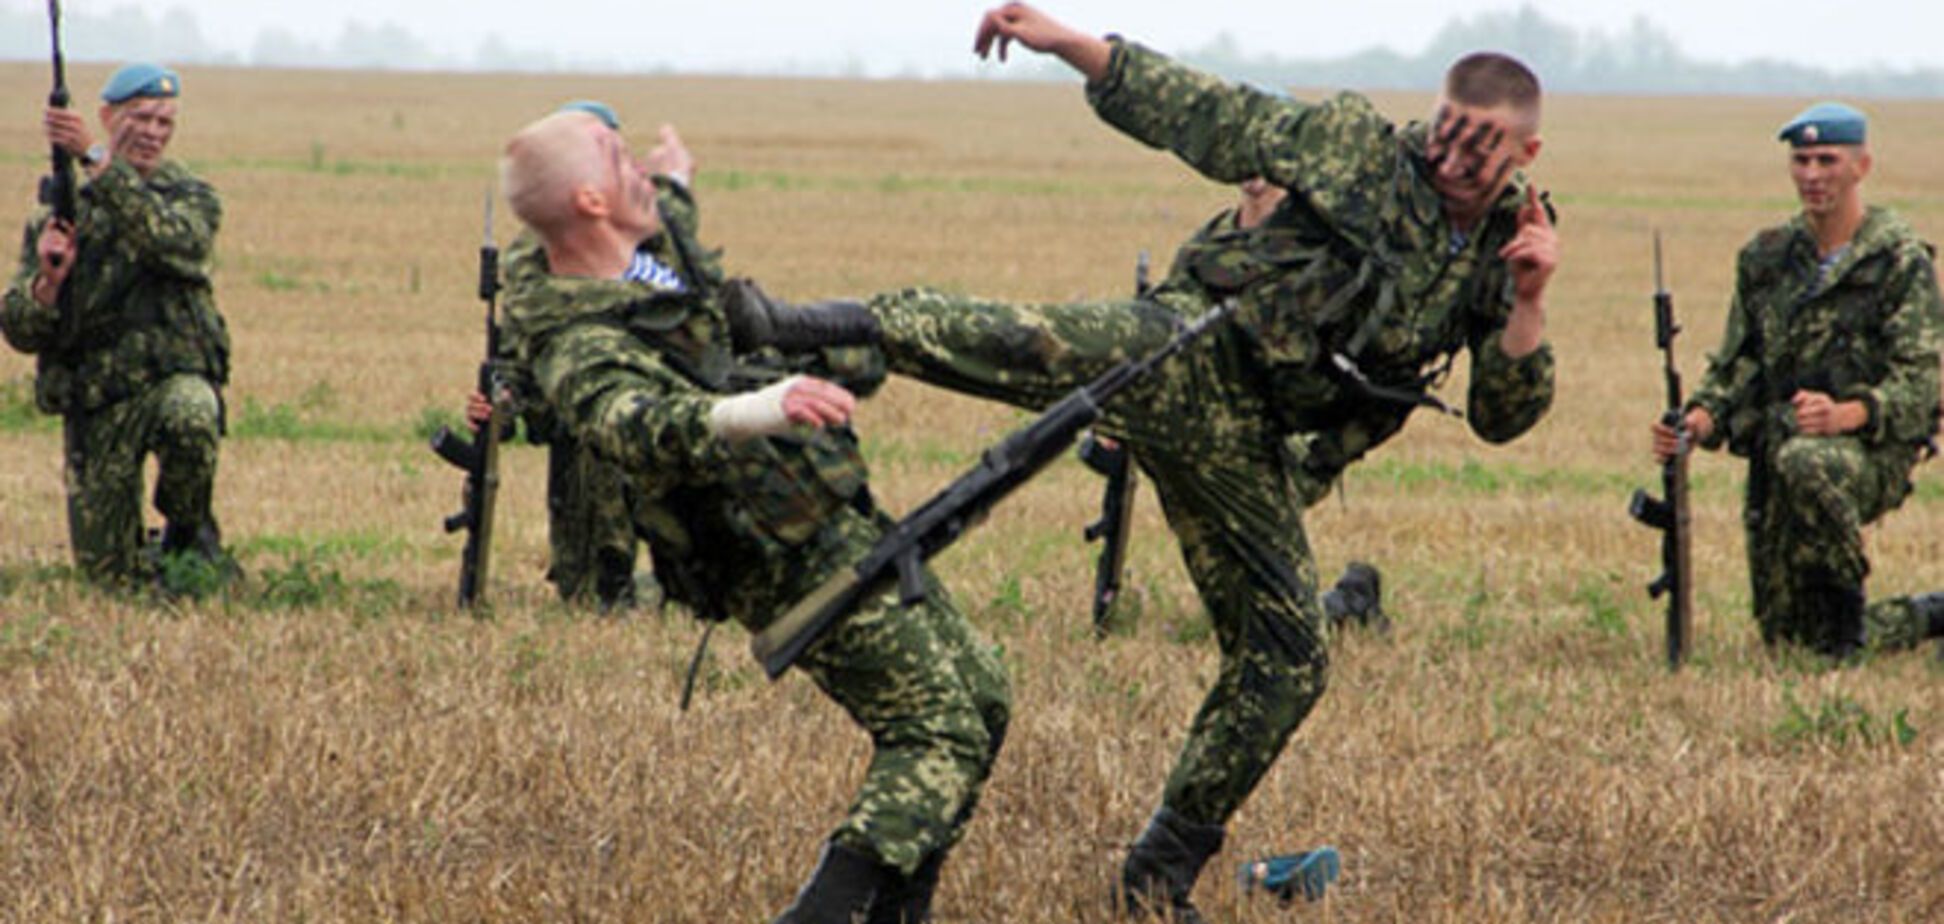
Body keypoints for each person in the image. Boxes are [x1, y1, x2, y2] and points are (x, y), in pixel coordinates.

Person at [729, 4, 1558, 920]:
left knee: (1288, 658)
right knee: (1038, 342)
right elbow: (1209, 112)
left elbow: (1502, 420)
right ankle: (812, 328)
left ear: (1523, 154)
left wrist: (1528, 303)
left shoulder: (1513, 252)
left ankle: (1157, 877)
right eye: (1443, 141)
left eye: (1474, 155)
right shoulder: (1356, 149)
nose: (1447, 165)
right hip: (1191, 351)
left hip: (1255, 449)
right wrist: (1075, 47)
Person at [496, 110, 1010, 923]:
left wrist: (674, 180)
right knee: (938, 730)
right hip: (769, 550)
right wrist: (759, 407)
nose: (641, 171)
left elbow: (665, 229)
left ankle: (897, 913)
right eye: (619, 160)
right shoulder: (576, 341)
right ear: (591, 202)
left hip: (818, 508)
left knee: (982, 698)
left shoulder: (631, 256)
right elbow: (635, 423)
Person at [1652, 102, 1944, 659]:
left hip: (1863, 454)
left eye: (1827, 160)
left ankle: (1846, 623)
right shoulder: (1766, 259)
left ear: (1861, 167)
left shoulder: (1899, 262)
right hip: (1777, 449)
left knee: (1809, 464)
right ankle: (1926, 615)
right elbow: (1740, 364)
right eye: (1801, 160)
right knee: (1788, 644)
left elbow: (1920, 385)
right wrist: (1697, 420)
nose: (1812, 174)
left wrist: (1847, 415)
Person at [1, 63, 231, 590]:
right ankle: (136, 560)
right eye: (141, 118)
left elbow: (179, 243)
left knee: (194, 413)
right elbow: (19, 329)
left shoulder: (188, 196)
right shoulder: (60, 213)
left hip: (171, 380)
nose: (153, 133)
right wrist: (48, 283)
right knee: (110, 582)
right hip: (98, 400)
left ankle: (186, 539)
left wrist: (97, 160)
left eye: (165, 123)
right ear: (108, 116)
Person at [460, 99, 663, 611]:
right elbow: (519, 356)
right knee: (585, 595)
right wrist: (497, 404)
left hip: (653, 428)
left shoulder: (649, 242)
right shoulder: (535, 252)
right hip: (577, 440)